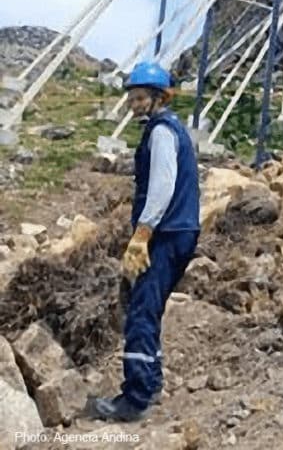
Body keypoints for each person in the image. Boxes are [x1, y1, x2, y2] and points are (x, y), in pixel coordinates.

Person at [91, 61, 200, 422]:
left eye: (141, 98)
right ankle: (150, 385)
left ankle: (134, 400)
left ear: (159, 97)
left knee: (140, 312)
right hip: (176, 230)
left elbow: (162, 186)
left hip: (167, 233)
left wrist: (143, 232)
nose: (135, 104)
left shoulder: (162, 133)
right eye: (132, 98)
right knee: (149, 309)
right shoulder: (166, 129)